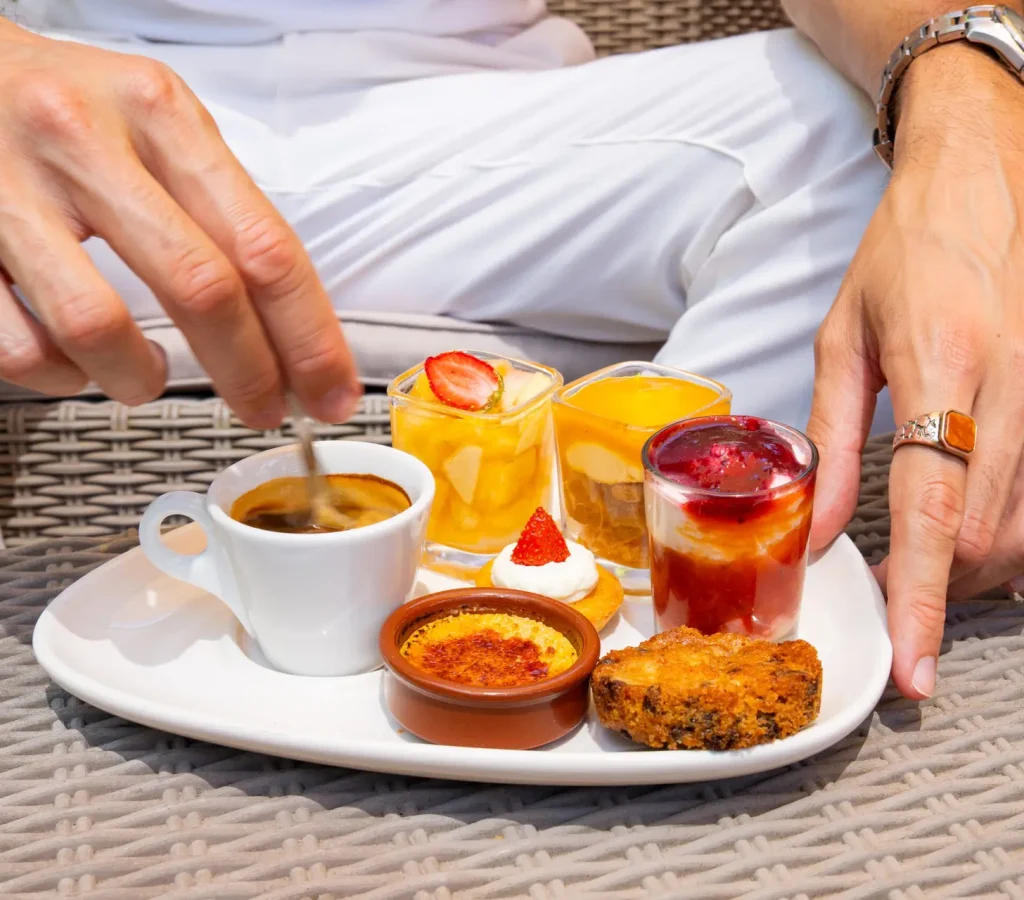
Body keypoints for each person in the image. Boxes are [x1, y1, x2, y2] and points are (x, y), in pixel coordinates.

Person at [0, 1, 1019, 702]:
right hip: (86, 111)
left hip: (504, 135)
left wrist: (967, 117)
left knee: (856, 128)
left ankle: (654, 632)